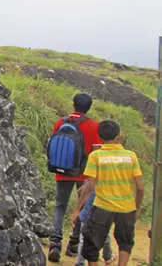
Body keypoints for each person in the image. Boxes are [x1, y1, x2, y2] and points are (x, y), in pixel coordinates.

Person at [80, 120, 144, 266]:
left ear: (100, 137)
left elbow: (89, 185)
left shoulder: (96, 156)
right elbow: (140, 187)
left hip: (102, 206)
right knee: (125, 242)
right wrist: (137, 207)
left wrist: (78, 208)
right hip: (126, 207)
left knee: (92, 244)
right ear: (118, 136)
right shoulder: (130, 156)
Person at [48, 92, 101, 262]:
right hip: (84, 174)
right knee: (82, 207)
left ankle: (55, 243)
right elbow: (96, 152)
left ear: (73, 105)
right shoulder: (94, 126)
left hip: (62, 171)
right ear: (89, 107)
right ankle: (73, 244)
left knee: (60, 206)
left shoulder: (60, 122)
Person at [72, 175, 115, 265]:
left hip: (86, 215)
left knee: (83, 240)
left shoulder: (91, 180)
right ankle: (108, 256)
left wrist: (78, 209)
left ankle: (80, 263)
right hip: (99, 216)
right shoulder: (107, 182)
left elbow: (81, 191)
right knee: (105, 237)